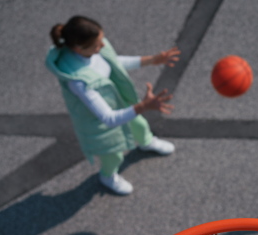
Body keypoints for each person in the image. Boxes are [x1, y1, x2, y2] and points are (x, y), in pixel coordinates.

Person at [45, 15, 180, 195]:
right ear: (78, 48)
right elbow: (108, 118)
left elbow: (113, 61)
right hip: (97, 122)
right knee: (113, 155)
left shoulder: (93, 48)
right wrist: (144, 106)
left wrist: (152, 60)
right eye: (97, 45)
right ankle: (108, 176)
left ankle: (146, 142)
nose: (103, 46)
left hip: (115, 102)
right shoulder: (78, 82)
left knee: (139, 125)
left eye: (102, 39)